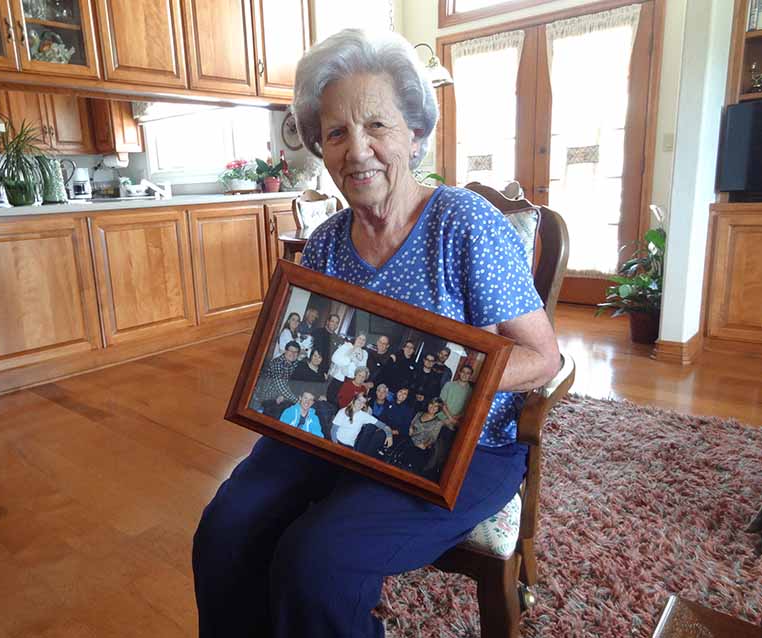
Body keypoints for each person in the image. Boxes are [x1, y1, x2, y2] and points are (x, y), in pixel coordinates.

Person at [194, 29, 560, 638]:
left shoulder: (464, 223)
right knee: (225, 529)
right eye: (336, 133)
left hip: (459, 444)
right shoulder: (327, 243)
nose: (357, 150)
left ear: (414, 135)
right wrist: (277, 373)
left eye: (377, 127)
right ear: (321, 147)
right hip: (340, 432)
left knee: (318, 562)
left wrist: (432, 379)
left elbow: (541, 359)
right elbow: (297, 358)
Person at [385, 398, 445, 475]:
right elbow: (411, 425)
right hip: (409, 439)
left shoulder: (438, 422)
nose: (432, 407)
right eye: (431, 404)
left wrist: (425, 445)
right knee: (396, 451)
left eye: (436, 406)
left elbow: (433, 437)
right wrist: (410, 428)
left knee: (411, 459)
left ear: (438, 409)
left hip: (421, 445)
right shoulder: (419, 414)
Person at [251, 341, 301, 409]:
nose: (293, 354)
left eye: (296, 352)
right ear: (285, 351)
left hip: (282, 395)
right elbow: (280, 385)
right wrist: (297, 401)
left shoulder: (294, 363)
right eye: (291, 351)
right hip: (268, 396)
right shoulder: (277, 363)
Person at [327, 333, 368, 402]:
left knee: (345, 402)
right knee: (331, 399)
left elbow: (362, 369)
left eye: (363, 340)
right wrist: (349, 359)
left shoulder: (364, 353)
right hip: (338, 379)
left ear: (365, 343)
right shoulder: (346, 346)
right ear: (356, 339)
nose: (361, 341)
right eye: (359, 338)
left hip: (351, 382)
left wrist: (357, 360)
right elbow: (334, 358)